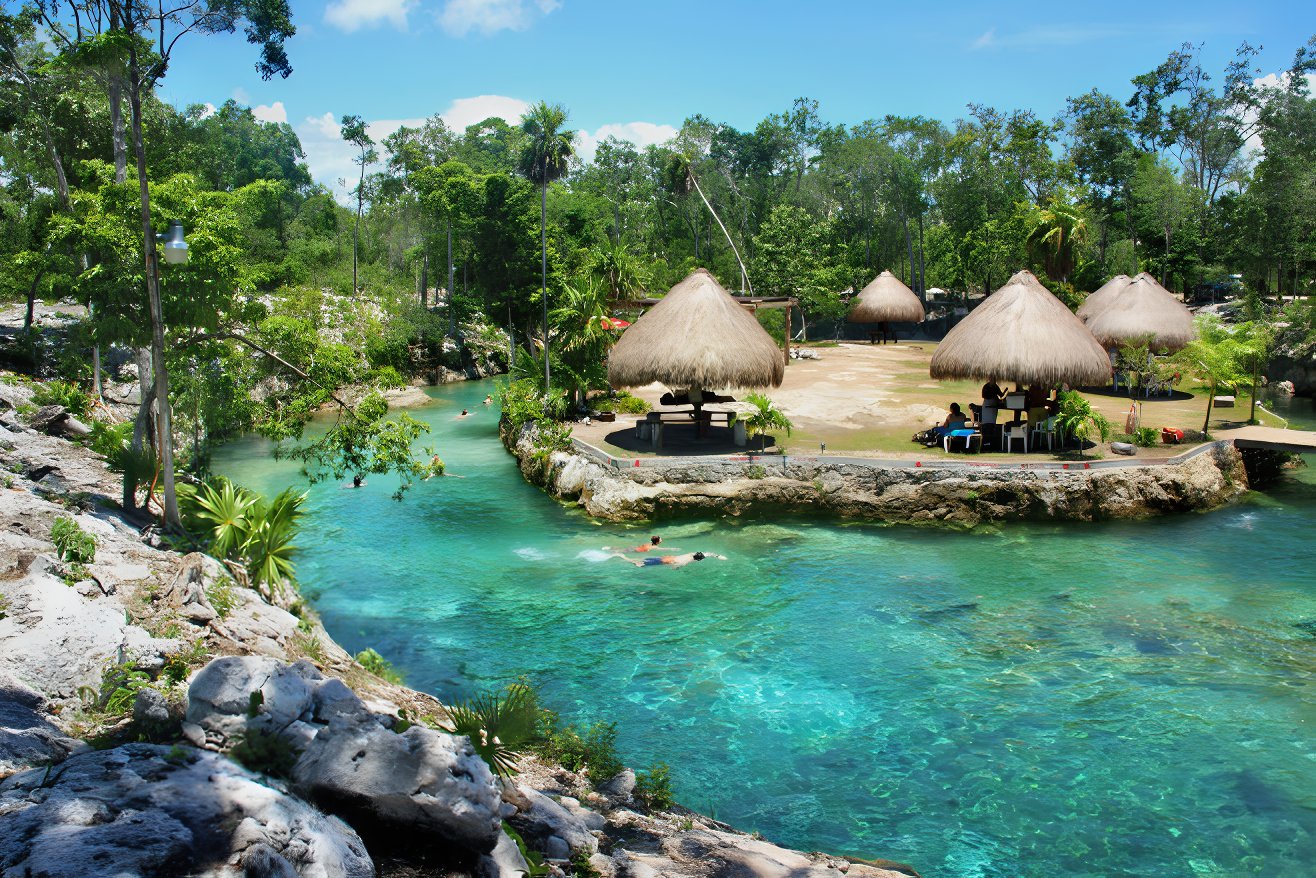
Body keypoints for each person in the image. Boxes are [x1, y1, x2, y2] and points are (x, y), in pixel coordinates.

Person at [619, 551, 726, 568]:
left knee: (643, 559)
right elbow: (676, 565)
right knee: (640, 564)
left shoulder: (692, 554)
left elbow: (709, 553)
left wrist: (718, 556)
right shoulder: (687, 561)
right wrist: (676, 568)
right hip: (664, 561)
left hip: (666, 558)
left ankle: (624, 557)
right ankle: (623, 558)